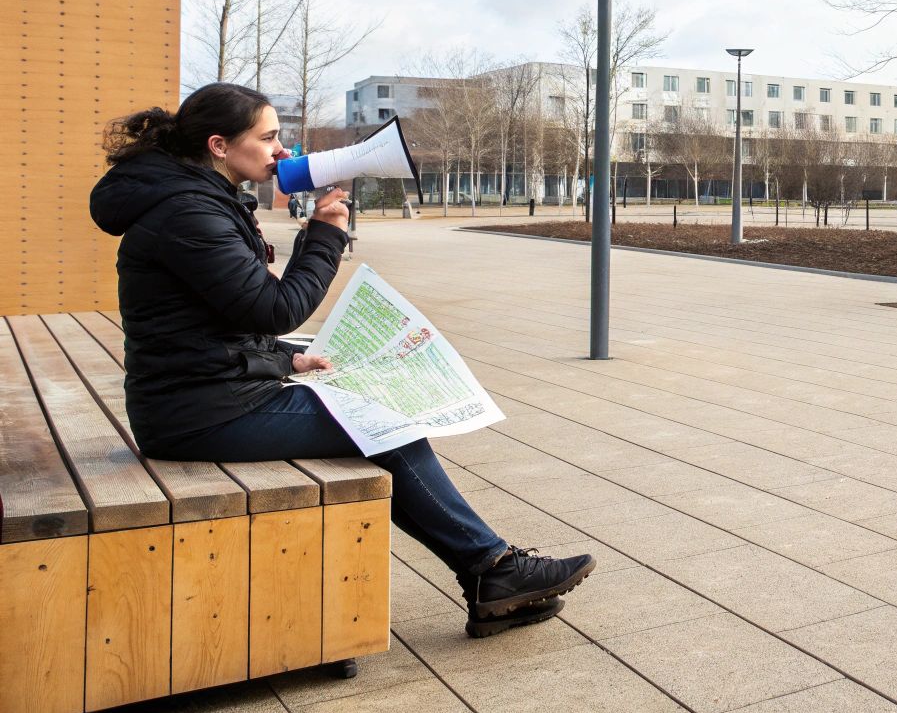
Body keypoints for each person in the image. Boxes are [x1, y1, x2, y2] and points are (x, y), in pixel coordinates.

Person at [90, 83, 595, 639]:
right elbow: (273, 308)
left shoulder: (193, 199)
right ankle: (493, 572)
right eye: (268, 137)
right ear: (218, 145)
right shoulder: (187, 212)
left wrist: (285, 361)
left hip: (209, 395)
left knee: (381, 415)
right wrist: (327, 236)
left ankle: (491, 575)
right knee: (386, 425)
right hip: (197, 415)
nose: (281, 150)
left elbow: (209, 321)